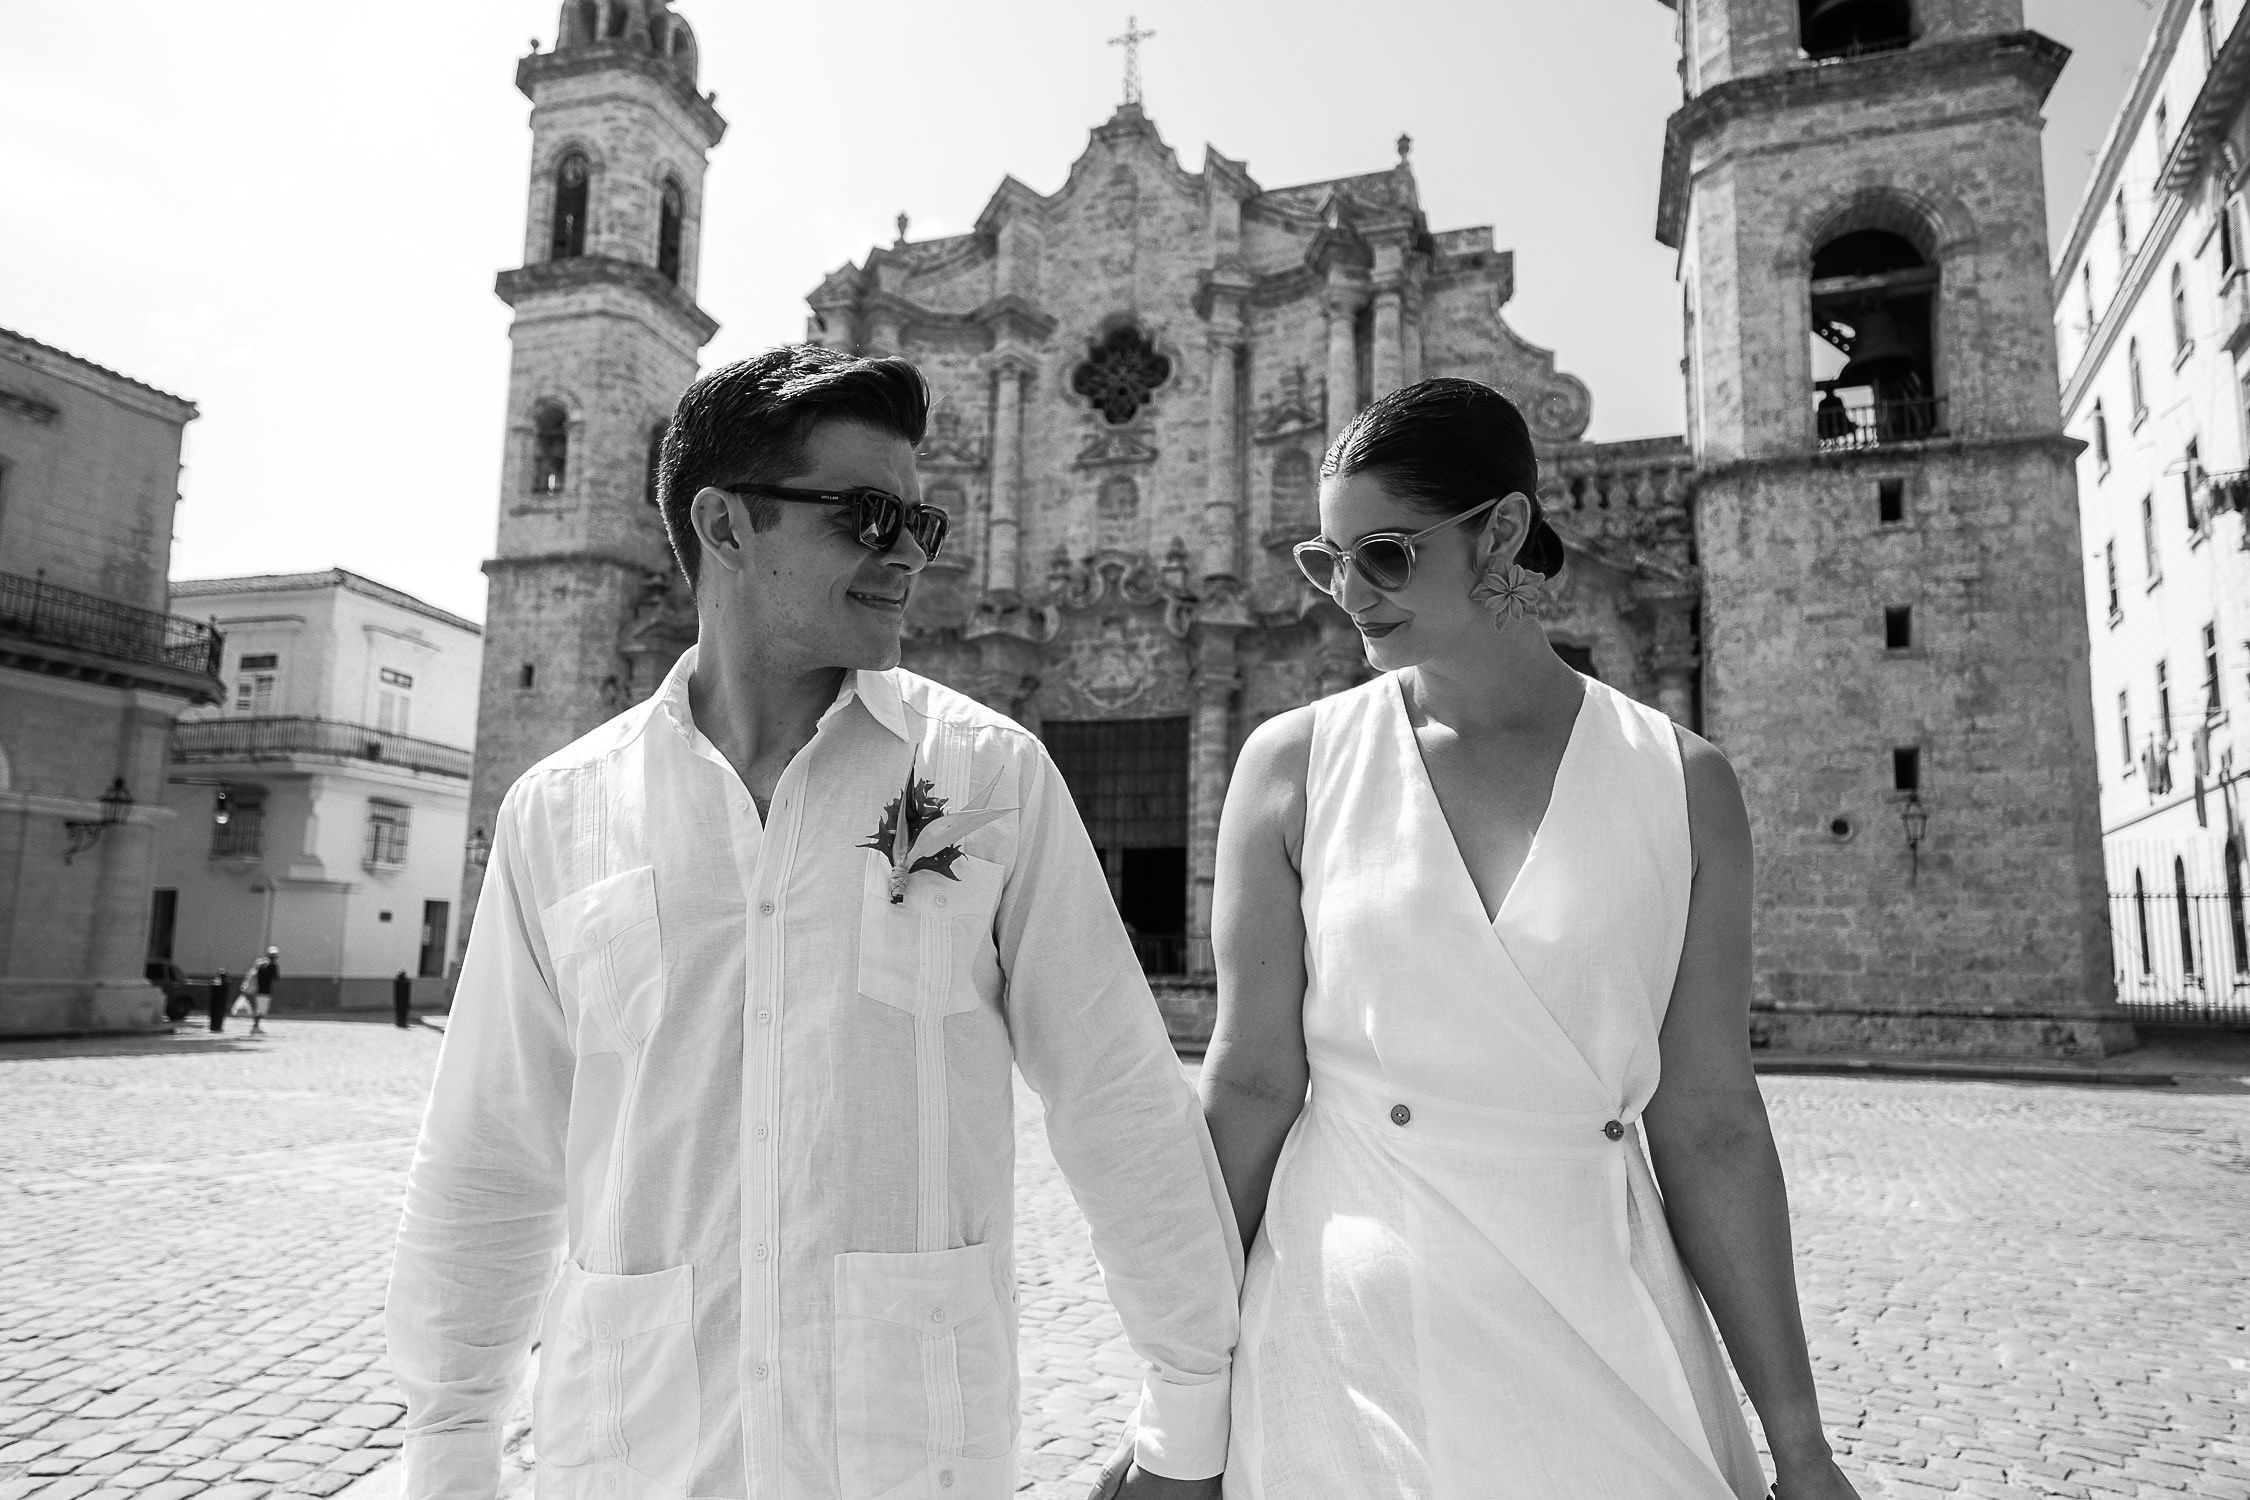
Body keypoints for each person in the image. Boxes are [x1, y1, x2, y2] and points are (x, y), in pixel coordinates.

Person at [387, 345, 1239, 1500]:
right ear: (726, 525)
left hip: (906, 1453)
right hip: (635, 1454)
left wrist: (1187, 1413)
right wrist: (448, 1454)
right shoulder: (559, 815)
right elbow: (489, 1155)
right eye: (866, 516)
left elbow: (1119, 1098)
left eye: (920, 522)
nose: (907, 556)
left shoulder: (988, 780)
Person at [1201, 379, 1860, 1499]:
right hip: (1346, 1335)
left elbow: (1707, 1122)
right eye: (1326, 561)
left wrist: (1801, 1448)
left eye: (1387, 556)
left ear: (1502, 530)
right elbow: (1253, 1083)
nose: (1348, 595)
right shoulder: (1291, 764)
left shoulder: (1685, 783)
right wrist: (1175, 1387)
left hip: (1599, 1311)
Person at [250, 947, 279, 1036]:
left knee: (259, 1009)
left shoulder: (260, 964)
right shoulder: (273, 966)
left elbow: (255, 974)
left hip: (258, 989)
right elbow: (276, 978)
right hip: (266, 991)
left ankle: (256, 1026)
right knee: (261, 1011)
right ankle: (255, 1027)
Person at [207, 967, 229, 1034]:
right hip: (219, 1004)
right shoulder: (225, 984)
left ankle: (215, 1027)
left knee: (215, 1015)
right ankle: (217, 1027)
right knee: (218, 1015)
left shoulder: (217, 984)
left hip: (216, 1004)